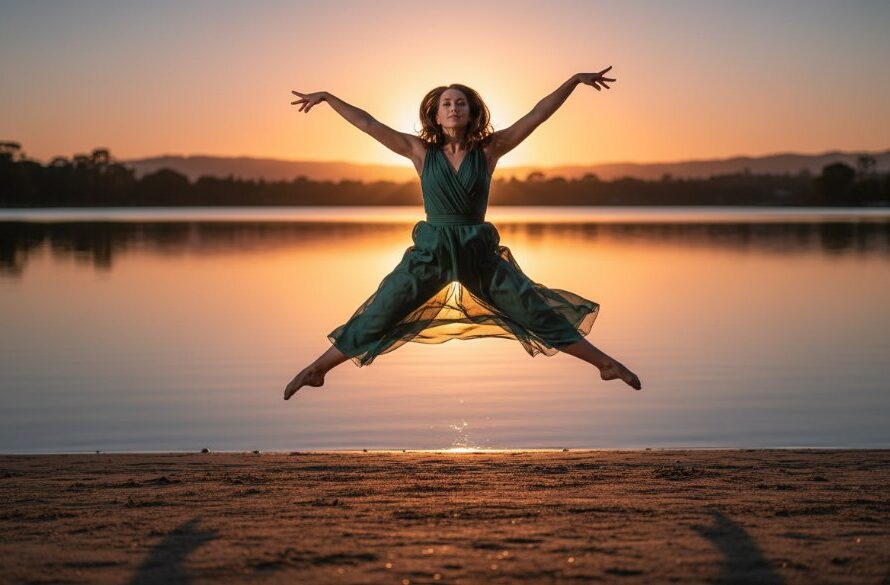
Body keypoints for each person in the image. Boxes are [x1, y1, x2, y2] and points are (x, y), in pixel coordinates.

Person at [285, 68, 641, 399]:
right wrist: (329, 98)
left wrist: (574, 81)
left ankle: (606, 365)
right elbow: (368, 123)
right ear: (435, 115)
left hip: (477, 254)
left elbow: (536, 115)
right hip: (431, 254)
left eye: (460, 103)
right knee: (380, 312)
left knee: (535, 312)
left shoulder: (489, 150)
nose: (454, 108)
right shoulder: (419, 151)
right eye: (446, 103)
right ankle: (318, 369)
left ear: (471, 112)